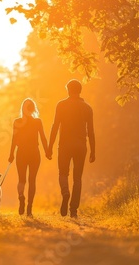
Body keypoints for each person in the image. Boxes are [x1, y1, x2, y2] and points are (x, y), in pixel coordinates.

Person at [47, 79, 95, 218]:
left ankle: (65, 193)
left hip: (64, 146)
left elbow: (55, 126)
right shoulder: (87, 108)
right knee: (77, 179)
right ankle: (73, 210)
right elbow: (91, 132)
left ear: (68, 89)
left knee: (63, 174)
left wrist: (49, 147)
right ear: (80, 91)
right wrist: (93, 151)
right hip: (81, 146)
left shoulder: (61, 105)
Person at [8, 98, 48, 217]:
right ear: (33, 109)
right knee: (32, 180)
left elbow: (14, 140)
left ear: (23, 109)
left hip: (21, 153)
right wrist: (47, 152)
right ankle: (29, 208)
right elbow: (43, 138)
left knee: (21, 179)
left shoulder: (17, 122)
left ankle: (21, 197)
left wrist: (11, 154)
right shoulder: (37, 122)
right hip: (34, 153)